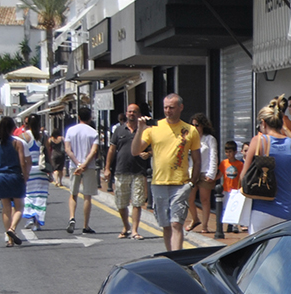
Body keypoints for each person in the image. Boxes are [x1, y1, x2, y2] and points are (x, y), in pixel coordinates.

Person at [133, 93, 201, 252]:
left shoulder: (190, 130)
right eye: (165, 108)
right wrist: (140, 130)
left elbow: (197, 160)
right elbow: (135, 150)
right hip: (159, 184)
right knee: (166, 225)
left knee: (176, 223)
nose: (168, 111)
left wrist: (192, 182)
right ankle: (171, 256)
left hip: (180, 184)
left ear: (180, 107)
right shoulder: (153, 127)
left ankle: (177, 258)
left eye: (171, 107)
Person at [241, 98, 291, 233]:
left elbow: (243, 177)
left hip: (262, 211)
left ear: (263, 123)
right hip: (288, 211)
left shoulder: (258, 141)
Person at [103, 104, 148, 240]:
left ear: (139, 114)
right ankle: (126, 226)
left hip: (138, 171)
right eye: (129, 111)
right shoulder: (119, 130)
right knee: (121, 203)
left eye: (134, 112)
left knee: (137, 202)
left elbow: (153, 148)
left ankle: (134, 230)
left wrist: (148, 153)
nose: (131, 114)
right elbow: (112, 149)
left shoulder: (145, 130)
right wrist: (107, 168)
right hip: (121, 170)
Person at [0, 117, 29, 247]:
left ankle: (9, 239)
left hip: (0, 177)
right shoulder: (18, 143)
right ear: (12, 128)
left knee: (5, 209)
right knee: (19, 207)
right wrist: (25, 176)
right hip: (14, 176)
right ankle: (12, 229)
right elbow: (23, 162)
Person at [63, 106, 100, 234]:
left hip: (74, 166)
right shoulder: (93, 132)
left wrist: (78, 163)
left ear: (78, 117)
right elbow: (94, 151)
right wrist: (84, 164)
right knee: (87, 196)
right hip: (88, 166)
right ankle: (86, 225)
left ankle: (72, 217)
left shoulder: (70, 131)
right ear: (90, 118)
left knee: (73, 194)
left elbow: (68, 149)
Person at [186, 113, 218, 234]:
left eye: (197, 125)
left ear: (203, 125)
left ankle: (205, 225)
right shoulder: (189, 138)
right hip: (191, 172)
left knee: (205, 200)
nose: (194, 127)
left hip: (205, 172)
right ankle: (195, 219)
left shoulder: (209, 139)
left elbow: (213, 156)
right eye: (192, 125)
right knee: (189, 198)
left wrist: (211, 173)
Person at [20, 115, 50, 230]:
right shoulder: (43, 137)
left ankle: (30, 218)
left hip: (29, 169)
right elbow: (48, 154)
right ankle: (37, 221)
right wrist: (50, 170)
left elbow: (20, 155)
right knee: (40, 196)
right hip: (41, 170)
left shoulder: (23, 137)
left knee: (28, 195)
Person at [215, 140, 242, 238]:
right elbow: (220, 175)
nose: (228, 154)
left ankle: (235, 225)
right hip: (226, 189)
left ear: (235, 152)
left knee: (235, 207)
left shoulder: (239, 164)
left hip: (236, 189)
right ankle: (229, 224)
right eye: (227, 152)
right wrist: (212, 179)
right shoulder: (224, 163)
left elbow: (241, 176)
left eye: (230, 152)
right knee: (226, 207)